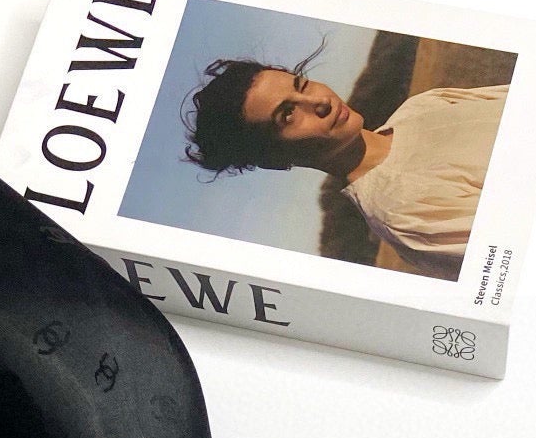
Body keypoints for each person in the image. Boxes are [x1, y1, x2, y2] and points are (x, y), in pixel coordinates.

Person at [183, 57, 507, 280]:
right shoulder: (403, 212)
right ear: (275, 159)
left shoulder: (422, 105)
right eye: (288, 114)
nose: (320, 102)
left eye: (302, 85)